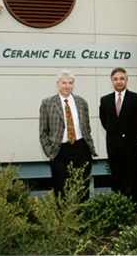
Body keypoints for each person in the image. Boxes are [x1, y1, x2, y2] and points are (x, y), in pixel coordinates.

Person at [39, 70, 97, 200]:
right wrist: (49, 152)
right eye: (64, 83)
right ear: (57, 84)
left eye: (70, 83)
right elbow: (43, 132)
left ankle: (82, 217)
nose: (67, 86)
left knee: (83, 188)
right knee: (60, 189)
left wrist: (88, 146)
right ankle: (62, 218)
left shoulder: (81, 102)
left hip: (81, 148)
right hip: (60, 150)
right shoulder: (47, 103)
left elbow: (87, 127)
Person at [99, 68, 137, 212]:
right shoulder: (105, 100)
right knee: (116, 177)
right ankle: (118, 208)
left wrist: (130, 134)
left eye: (121, 78)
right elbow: (104, 121)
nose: (118, 81)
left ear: (126, 80)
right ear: (112, 81)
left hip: (131, 145)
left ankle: (134, 209)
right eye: (115, 79)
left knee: (133, 177)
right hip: (113, 146)